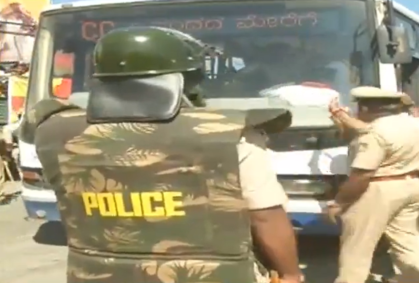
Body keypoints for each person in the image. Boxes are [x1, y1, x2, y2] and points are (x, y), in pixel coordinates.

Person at [27, 27, 302, 283]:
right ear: (187, 79)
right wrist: (290, 275)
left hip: (95, 273)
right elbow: (265, 217)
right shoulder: (229, 133)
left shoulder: (53, 131)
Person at [326, 86, 419, 283]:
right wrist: (341, 118)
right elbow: (361, 128)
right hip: (412, 185)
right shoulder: (412, 124)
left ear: (366, 109)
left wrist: (339, 203)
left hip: (380, 189)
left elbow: (362, 175)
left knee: (358, 245)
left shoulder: (375, 133)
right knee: (408, 240)